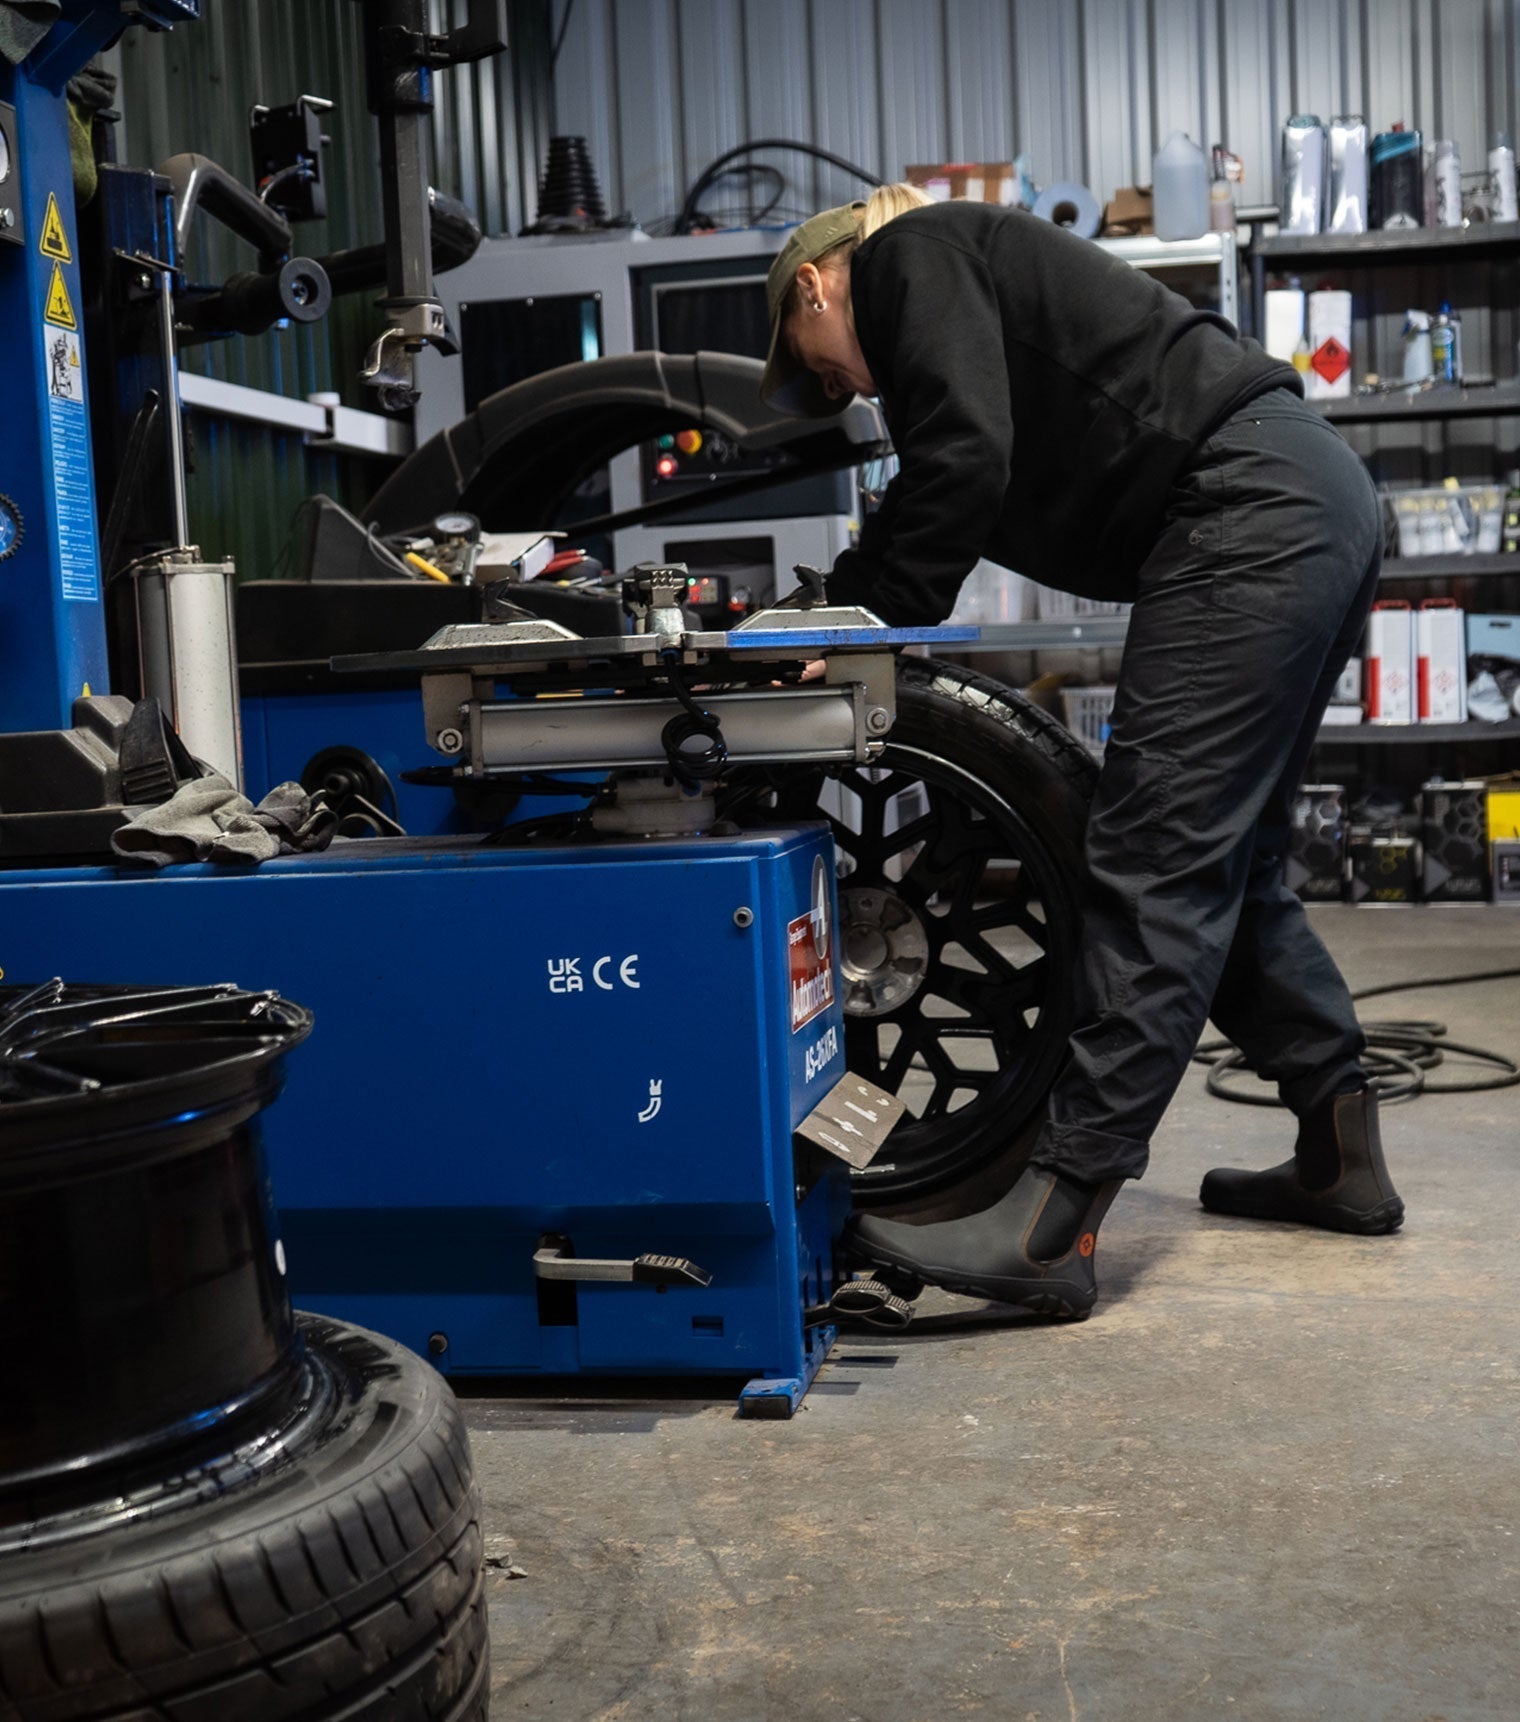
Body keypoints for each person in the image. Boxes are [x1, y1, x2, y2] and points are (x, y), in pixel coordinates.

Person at [759, 185, 1403, 1319]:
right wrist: (858, 601)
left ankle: (1054, 1223)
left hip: (1244, 505)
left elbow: (959, 460)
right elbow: (960, 469)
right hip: (1309, 494)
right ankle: (1336, 1150)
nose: (843, 388)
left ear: (813, 286)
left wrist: (849, 622)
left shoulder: (907, 255)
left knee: (1151, 853)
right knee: (1225, 854)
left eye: (820, 365)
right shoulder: (962, 278)